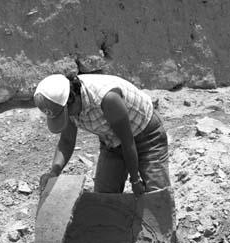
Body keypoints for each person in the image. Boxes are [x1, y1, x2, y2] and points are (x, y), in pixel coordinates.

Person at [34, 72, 171, 196]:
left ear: (72, 98)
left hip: (146, 136)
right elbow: (67, 141)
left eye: (65, 113)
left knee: (157, 197)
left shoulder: (107, 98)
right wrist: (54, 172)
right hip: (111, 141)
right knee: (104, 198)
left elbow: (127, 142)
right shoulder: (65, 105)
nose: (67, 117)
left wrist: (135, 181)